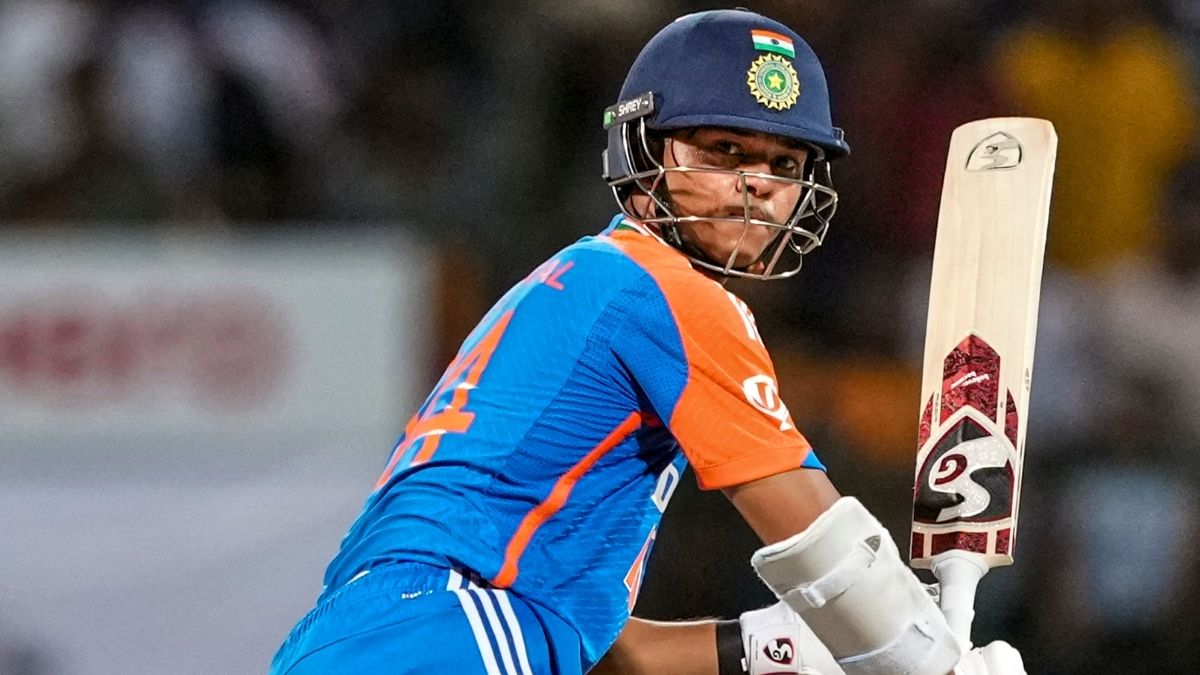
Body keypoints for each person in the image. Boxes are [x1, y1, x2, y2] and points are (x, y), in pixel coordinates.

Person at [270, 9, 1026, 674]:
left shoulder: (591, 279)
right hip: (441, 634)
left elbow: (588, 648)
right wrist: (933, 659)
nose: (758, 183)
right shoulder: (668, 293)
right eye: (724, 150)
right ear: (643, 153)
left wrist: (779, 647)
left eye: (785, 163)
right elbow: (821, 543)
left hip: (362, 639)